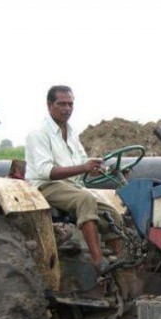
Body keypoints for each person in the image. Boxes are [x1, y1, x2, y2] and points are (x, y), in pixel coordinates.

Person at [25, 85, 123, 274]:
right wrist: (83, 167)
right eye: (62, 104)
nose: (67, 108)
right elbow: (46, 171)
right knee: (84, 200)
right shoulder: (38, 134)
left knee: (114, 214)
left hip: (71, 186)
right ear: (49, 105)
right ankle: (98, 262)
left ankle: (117, 263)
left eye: (70, 104)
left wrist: (96, 168)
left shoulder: (71, 132)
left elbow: (81, 162)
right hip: (45, 186)